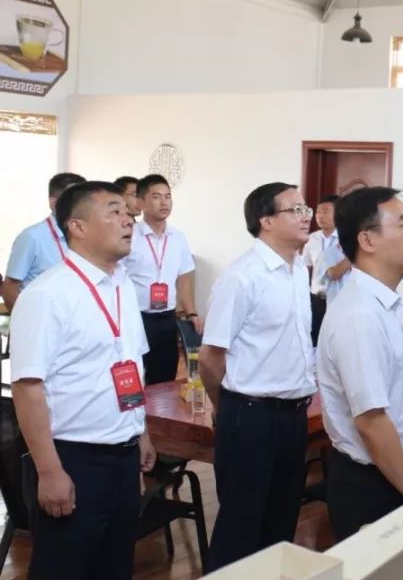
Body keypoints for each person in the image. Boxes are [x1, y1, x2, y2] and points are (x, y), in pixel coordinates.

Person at [10, 181, 156, 579]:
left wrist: (140, 432)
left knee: (114, 566)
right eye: (114, 212)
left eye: (127, 211)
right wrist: (49, 471)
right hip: (73, 459)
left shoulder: (123, 285)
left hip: (123, 455)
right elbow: (27, 388)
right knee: (64, 568)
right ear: (77, 226)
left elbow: (130, 365)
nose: (128, 219)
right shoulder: (48, 293)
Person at [198, 183, 316, 570]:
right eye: (294, 210)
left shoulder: (297, 270)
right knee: (241, 527)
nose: (306, 216)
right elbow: (211, 358)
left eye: (305, 208)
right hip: (250, 415)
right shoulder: (242, 277)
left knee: (281, 523)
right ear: (266, 221)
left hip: (293, 414)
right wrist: (227, 408)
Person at [317, 187, 403, 537]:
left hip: (400, 473)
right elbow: (372, 422)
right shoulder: (360, 316)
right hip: (380, 486)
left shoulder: (379, 305)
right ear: (368, 240)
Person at [124, 174, 200, 384]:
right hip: (136, 318)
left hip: (167, 318)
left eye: (168, 196)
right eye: (156, 197)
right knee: (135, 374)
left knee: (166, 376)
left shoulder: (178, 237)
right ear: (140, 202)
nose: (164, 202)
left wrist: (191, 311)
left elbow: (185, 276)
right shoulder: (129, 236)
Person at [2, 172, 86, 310]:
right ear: (54, 203)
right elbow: (9, 289)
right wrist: (28, 318)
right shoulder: (32, 237)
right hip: (40, 318)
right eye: (73, 201)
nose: (81, 207)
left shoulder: (84, 235)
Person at [301, 194, 344, 343]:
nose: (320, 216)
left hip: (339, 299)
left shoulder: (347, 239)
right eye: (318, 212)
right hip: (316, 299)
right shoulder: (311, 239)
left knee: (336, 341)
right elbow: (306, 268)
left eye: (325, 211)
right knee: (314, 339)